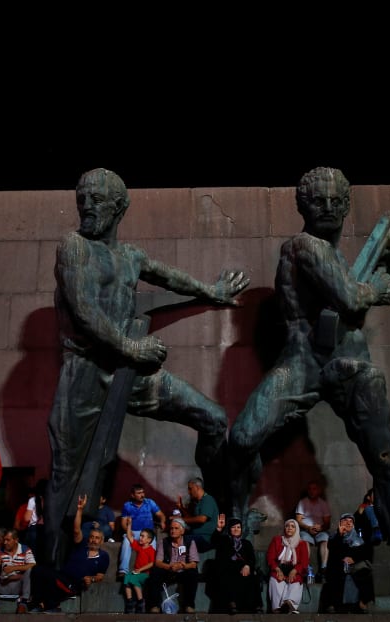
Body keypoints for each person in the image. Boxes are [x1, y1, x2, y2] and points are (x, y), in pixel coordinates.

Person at [228, 166, 390, 592]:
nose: (329, 208)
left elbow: (352, 298)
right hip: (301, 361)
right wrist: (376, 290)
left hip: (348, 362)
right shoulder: (302, 246)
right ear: (303, 206)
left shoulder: (337, 258)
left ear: (347, 207)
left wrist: (387, 262)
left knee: (387, 463)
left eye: (337, 201)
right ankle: (237, 527)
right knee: (241, 438)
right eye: (319, 201)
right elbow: (352, 298)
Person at [44, 167, 249, 564]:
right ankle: (52, 573)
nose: (86, 206)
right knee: (65, 474)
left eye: (96, 199)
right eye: (81, 198)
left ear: (120, 208)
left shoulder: (130, 256)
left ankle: (218, 511)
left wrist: (212, 291)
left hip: (129, 372)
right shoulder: (73, 246)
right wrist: (130, 345)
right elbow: (84, 308)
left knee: (212, 417)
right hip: (86, 372)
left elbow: (168, 276)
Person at [29, 494, 110, 613]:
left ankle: (47, 605)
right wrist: (80, 510)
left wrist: (91, 579)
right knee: (38, 570)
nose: (93, 540)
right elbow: (77, 530)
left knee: (52, 580)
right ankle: (41, 604)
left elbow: (100, 576)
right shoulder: (82, 546)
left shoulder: (103, 556)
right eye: (92, 537)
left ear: (102, 541)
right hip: (62, 576)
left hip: (74, 584)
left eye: (97, 538)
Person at [319, 513, 374, 614]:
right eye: (345, 520)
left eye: (350, 521)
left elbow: (364, 553)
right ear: (340, 523)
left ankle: (362, 604)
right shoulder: (333, 538)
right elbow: (334, 551)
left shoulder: (358, 540)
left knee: (364, 572)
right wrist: (340, 535)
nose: (348, 523)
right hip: (338, 567)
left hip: (354, 567)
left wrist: (354, 559)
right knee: (334, 572)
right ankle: (333, 605)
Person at [208, 514, 262, 614]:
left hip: (244, 570)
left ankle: (256, 606)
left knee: (253, 578)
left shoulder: (246, 543)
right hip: (228, 569)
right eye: (233, 527)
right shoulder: (224, 541)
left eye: (238, 527)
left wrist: (247, 566)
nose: (236, 529)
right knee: (228, 576)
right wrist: (219, 528)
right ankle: (232, 603)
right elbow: (214, 541)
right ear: (229, 529)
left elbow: (252, 559)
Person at [145, 517, 200, 613]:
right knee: (155, 572)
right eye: (171, 528)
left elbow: (193, 563)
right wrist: (169, 567)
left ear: (182, 531)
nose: (172, 531)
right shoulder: (164, 542)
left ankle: (189, 606)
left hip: (183, 571)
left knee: (193, 573)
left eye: (176, 528)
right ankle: (155, 606)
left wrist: (183, 566)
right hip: (168, 570)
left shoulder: (190, 542)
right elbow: (158, 562)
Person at [0, 527, 35, 614]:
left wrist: (13, 568)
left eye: (8, 540)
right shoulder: (0, 551)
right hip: (3, 584)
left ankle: (23, 604)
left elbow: (33, 564)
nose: (5, 542)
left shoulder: (25, 550)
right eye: (4, 540)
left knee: (30, 571)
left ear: (16, 540)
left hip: (18, 585)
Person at [118, 484, 164, 577]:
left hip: (148, 533)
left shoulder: (150, 502)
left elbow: (161, 515)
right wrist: (128, 530)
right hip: (133, 532)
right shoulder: (127, 505)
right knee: (126, 540)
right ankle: (123, 570)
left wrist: (162, 521)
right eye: (139, 493)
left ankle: (152, 571)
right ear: (132, 495)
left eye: (143, 492)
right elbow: (123, 522)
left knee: (152, 548)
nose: (142, 495)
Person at [267, 518, 309, 614]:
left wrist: (294, 571)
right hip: (279, 567)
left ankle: (289, 603)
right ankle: (278, 608)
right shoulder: (277, 540)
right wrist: (278, 570)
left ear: (296, 529)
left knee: (296, 580)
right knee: (275, 579)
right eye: (287, 526)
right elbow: (270, 558)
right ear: (284, 528)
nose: (289, 528)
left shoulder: (302, 544)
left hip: (294, 569)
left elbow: (304, 562)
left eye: (292, 526)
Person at [294, 480, 331, 581]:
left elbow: (327, 523)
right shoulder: (302, 502)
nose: (312, 491)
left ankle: (323, 568)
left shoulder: (323, 504)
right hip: (306, 530)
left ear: (318, 490)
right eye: (310, 489)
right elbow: (298, 520)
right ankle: (307, 567)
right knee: (304, 541)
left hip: (320, 530)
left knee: (325, 539)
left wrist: (320, 527)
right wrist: (308, 528)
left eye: (314, 489)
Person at [176, 477, 219, 553]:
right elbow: (191, 519)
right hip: (196, 537)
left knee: (179, 542)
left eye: (190, 489)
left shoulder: (208, 499)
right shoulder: (199, 502)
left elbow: (202, 519)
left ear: (197, 487)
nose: (189, 492)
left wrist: (180, 519)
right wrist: (181, 508)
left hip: (204, 538)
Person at [122, 518, 155, 613]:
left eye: (143, 536)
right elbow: (129, 536)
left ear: (149, 540)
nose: (140, 537)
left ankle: (141, 601)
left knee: (134, 579)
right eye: (140, 535)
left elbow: (152, 563)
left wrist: (140, 569)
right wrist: (129, 525)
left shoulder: (151, 550)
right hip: (137, 572)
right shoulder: (139, 547)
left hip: (146, 574)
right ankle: (129, 601)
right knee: (127, 577)